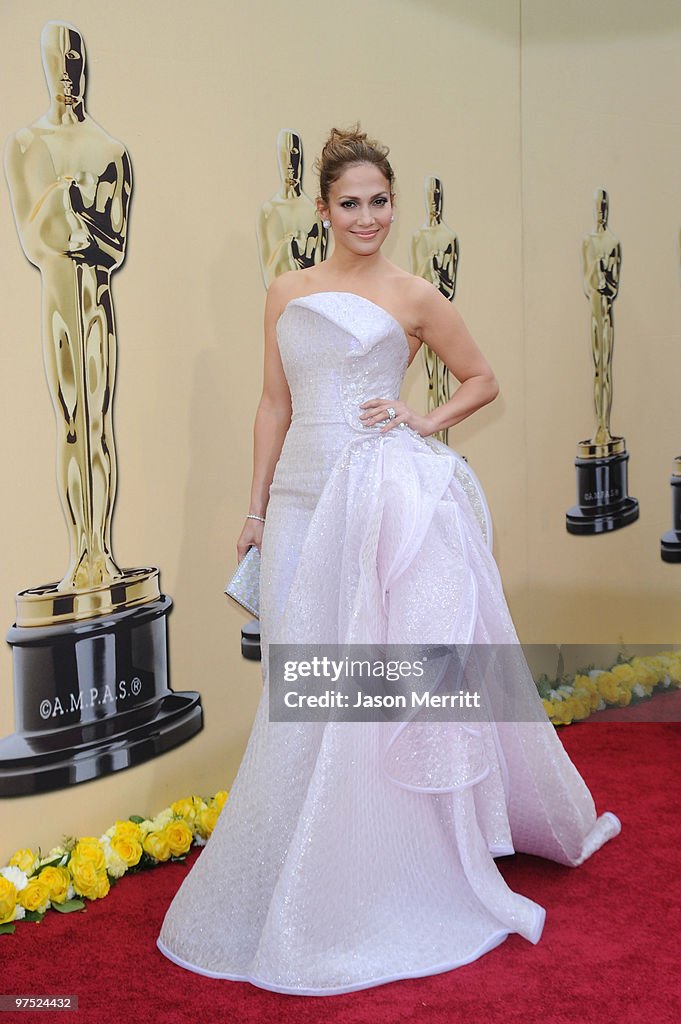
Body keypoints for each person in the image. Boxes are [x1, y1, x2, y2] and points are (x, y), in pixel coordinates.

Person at [157, 126, 620, 995]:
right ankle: (307, 849)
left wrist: (423, 419)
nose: (366, 216)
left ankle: (381, 860)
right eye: (349, 203)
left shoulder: (414, 294)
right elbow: (271, 403)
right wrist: (255, 509)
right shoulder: (287, 291)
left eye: (379, 201)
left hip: (373, 501)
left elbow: (481, 379)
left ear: (392, 204)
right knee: (302, 678)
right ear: (324, 209)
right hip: (299, 501)